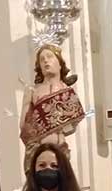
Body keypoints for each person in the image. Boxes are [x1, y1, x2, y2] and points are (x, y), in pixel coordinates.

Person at [19, 44, 85, 173]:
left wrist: (60, 125)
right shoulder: (33, 91)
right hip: (39, 151)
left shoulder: (67, 91)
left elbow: (72, 125)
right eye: (41, 59)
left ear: (60, 64)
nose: (45, 61)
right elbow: (24, 125)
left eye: (49, 57)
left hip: (61, 150)